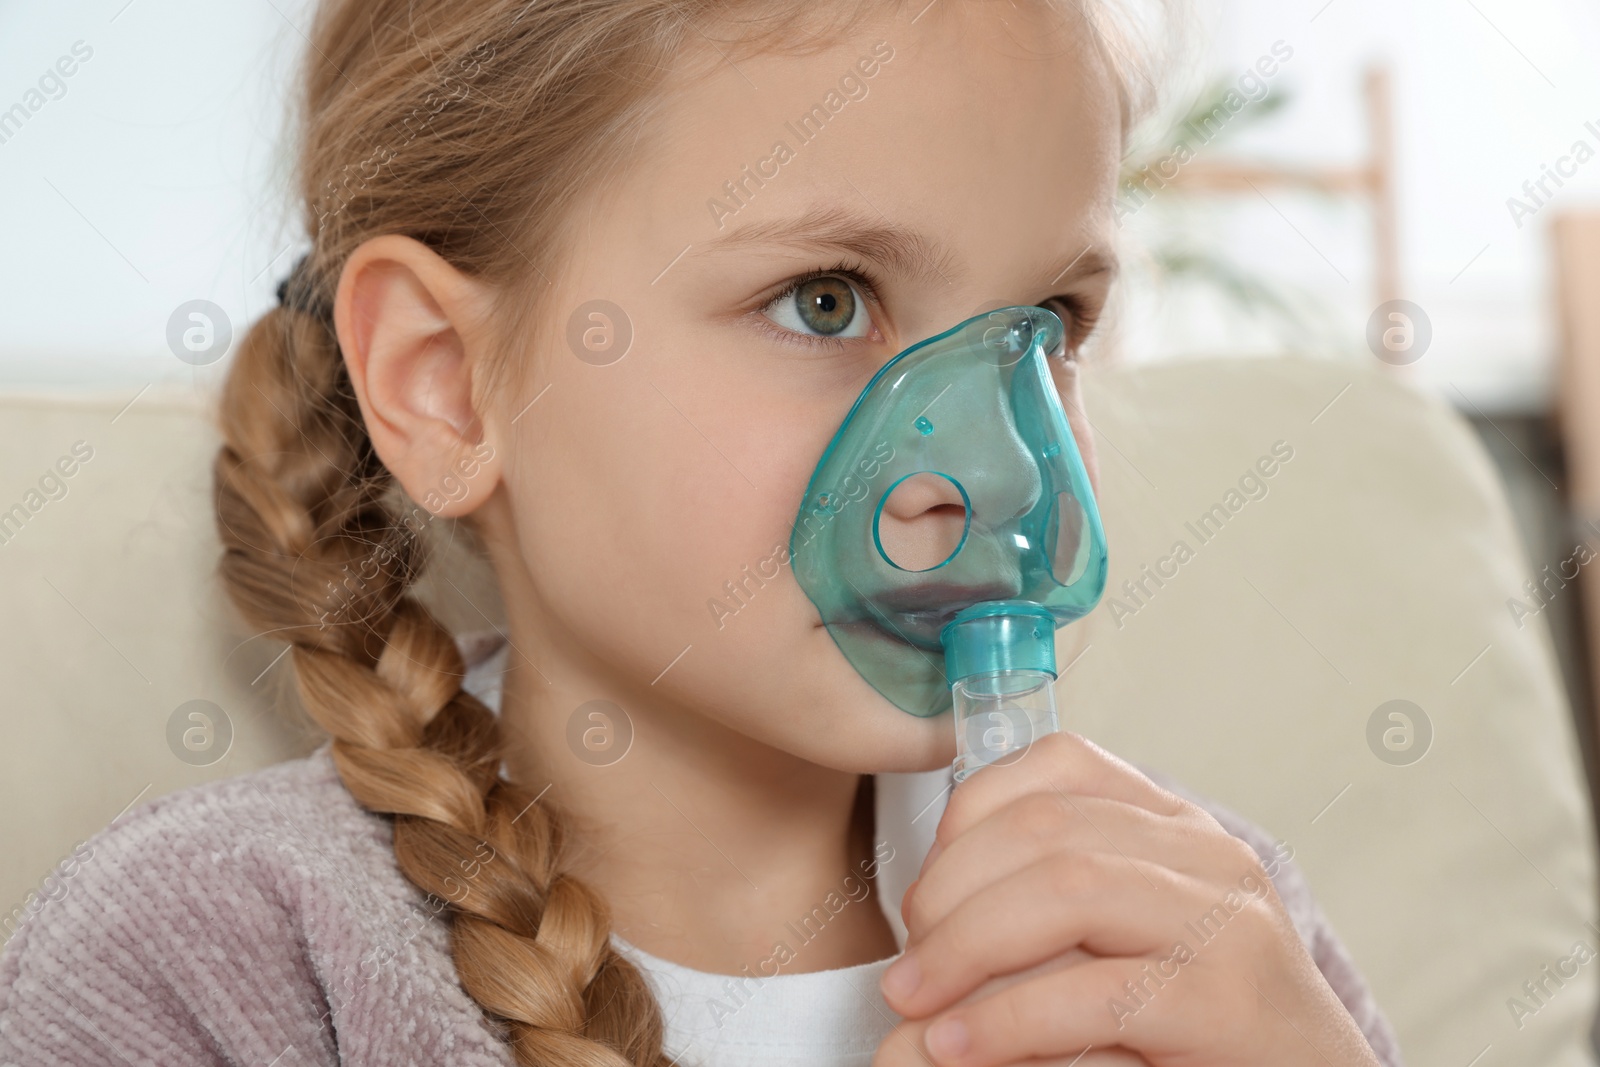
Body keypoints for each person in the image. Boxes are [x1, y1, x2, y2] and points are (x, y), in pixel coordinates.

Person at [0, 0, 1404, 1064]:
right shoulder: (214, 956)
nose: (998, 473)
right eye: (827, 303)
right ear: (445, 379)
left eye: (1048, 328)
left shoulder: (1187, 926)